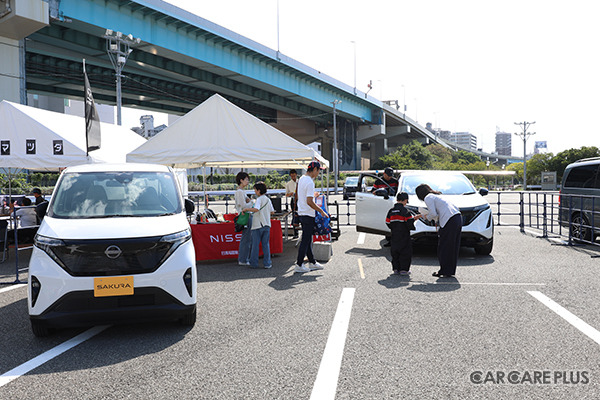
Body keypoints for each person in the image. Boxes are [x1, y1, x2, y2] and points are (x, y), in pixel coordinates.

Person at [415, 183, 462, 278]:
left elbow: (433, 213)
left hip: (449, 220)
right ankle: (449, 270)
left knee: (444, 247)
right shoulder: (437, 196)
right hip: (457, 217)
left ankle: (444, 270)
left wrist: (425, 216)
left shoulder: (428, 198)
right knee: (453, 246)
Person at [294, 161, 327, 273]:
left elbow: (302, 196)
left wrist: (313, 195)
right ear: (314, 170)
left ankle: (312, 262)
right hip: (308, 213)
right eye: (318, 171)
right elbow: (309, 202)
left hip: (302, 212)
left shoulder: (302, 179)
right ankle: (299, 264)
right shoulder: (310, 182)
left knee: (307, 239)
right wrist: (321, 210)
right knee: (306, 240)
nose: (318, 173)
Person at [386, 192, 421, 276]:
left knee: (395, 252)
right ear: (405, 200)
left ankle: (396, 268)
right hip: (404, 235)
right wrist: (415, 218)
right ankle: (404, 269)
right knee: (405, 252)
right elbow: (409, 222)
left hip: (394, 235)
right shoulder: (405, 211)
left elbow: (387, 222)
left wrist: (394, 228)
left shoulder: (391, 211)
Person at [243, 182, 275, 269]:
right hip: (267, 224)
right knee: (266, 245)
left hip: (257, 225)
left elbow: (256, 209)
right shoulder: (268, 199)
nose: (255, 192)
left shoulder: (259, 199)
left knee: (255, 245)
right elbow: (272, 211)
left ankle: (254, 263)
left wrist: (246, 209)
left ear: (259, 190)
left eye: (255, 190)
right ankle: (267, 263)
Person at [235, 171, 253, 266]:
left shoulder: (241, 191)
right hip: (245, 215)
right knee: (246, 238)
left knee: (246, 238)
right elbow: (243, 206)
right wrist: (251, 202)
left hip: (246, 215)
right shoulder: (240, 192)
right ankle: (243, 259)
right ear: (241, 180)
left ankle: (244, 258)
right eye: (246, 179)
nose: (247, 181)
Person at [285, 169, 300, 237]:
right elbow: (286, 194)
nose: (293, 177)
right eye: (292, 176)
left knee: (301, 215)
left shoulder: (300, 181)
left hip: (300, 200)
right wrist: (290, 194)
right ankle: (295, 233)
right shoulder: (288, 184)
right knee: (294, 216)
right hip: (293, 201)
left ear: (296, 175)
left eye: (294, 176)